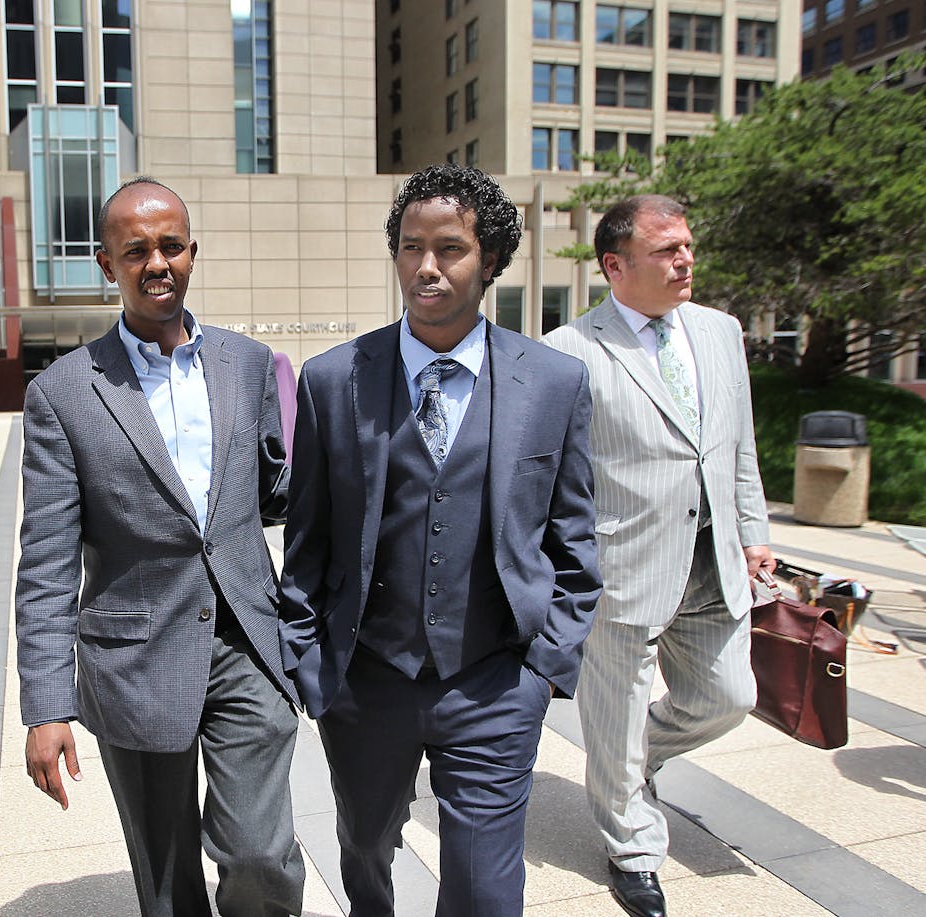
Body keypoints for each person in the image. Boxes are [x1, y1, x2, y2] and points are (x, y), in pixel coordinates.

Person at [279, 164, 601, 916]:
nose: (426, 266)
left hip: (495, 679)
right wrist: (307, 660)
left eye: (450, 248)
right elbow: (308, 541)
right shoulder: (333, 379)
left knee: (487, 892)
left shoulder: (554, 382)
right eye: (410, 246)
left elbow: (574, 538)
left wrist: (545, 665)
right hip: (365, 679)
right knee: (363, 845)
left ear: (490, 260)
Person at [15, 177, 304, 917]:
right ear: (105, 263)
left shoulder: (247, 364)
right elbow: (46, 565)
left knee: (260, 856)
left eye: (171, 245)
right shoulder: (64, 393)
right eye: (135, 249)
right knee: (169, 885)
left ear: (192, 252)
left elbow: (277, 497)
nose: (157, 262)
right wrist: (47, 706)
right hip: (133, 660)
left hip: (245, 643)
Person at [544, 195, 774, 917]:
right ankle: (633, 850)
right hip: (625, 568)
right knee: (613, 718)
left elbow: (738, 444)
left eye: (688, 246)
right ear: (615, 265)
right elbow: (557, 477)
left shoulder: (720, 331)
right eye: (667, 250)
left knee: (729, 697)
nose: (686, 261)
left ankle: (629, 765)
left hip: (714, 564)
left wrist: (754, 526)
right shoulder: (570, 351)